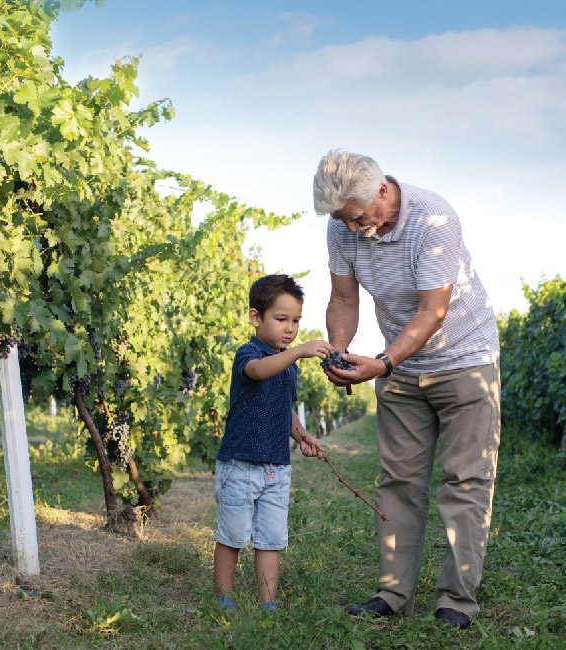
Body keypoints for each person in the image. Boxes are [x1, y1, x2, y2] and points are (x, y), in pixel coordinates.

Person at [312, 150, 501, 630]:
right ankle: (392, 594)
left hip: (465, 361)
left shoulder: (434, 218)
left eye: (355, 218)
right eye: (341, 221)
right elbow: (342, 296)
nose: (350, 230)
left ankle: (456, 601)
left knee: (465, 480)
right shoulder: (342, 227)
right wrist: (338, 350)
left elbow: (431, 311)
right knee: (399, 481)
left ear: (381, 192)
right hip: (399, 364)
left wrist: (380, 363)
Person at [212, 274, 331, 612]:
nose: (290, 328)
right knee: (232, 535)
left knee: (271, 538)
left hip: (277, 465)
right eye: (281, 319)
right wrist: (298, 351)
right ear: (255, 317)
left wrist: (302, 435)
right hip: (240, 461)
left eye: (296, 321)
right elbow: (259, 372)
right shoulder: (249, 353)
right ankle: (224, 597)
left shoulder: (288, 363)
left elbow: (284, 408)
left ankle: (268, 603)